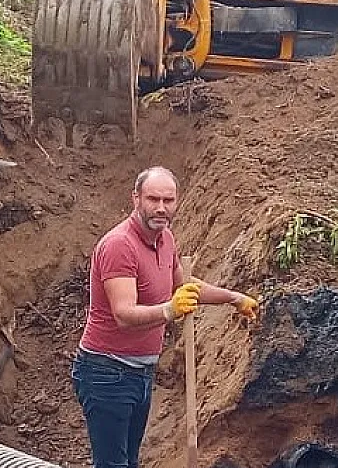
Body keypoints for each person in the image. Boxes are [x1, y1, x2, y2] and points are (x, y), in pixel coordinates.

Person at [70, 165, 259, 468]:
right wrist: (169, 310)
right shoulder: (119, 245)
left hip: (140, 373)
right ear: (136, 199)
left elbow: (184, 286)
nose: (161, 208)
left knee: (129, 461)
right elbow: (123, 313)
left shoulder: (166, 238)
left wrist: (233, 298)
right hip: (106, 371)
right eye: (153, 199)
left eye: (168, 200)